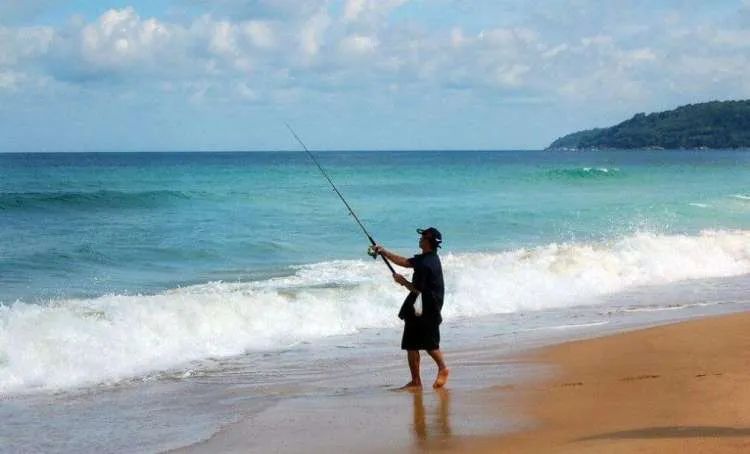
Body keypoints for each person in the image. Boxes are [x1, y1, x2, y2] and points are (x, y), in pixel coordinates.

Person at [374, 227, 449, 389]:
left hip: (428, 307)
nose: (420, 239)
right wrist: (384, 252)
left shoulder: (426, 264)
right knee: (411, 344)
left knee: (430, 345)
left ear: (428, 242)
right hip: (419, 305)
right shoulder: (428, 257)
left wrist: (402, 282)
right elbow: (406, 262)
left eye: (423, 238)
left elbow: (417, 289)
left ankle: (443, 369)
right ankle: (416, 381)